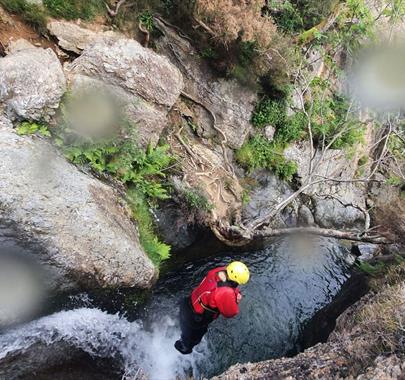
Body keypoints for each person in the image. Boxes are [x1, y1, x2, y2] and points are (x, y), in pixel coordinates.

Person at [174, 261, 250, 354]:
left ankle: (180, 331)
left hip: (187, 302)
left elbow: (225, 287)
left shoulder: (219, 270)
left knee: (184, 326)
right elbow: (230, 313)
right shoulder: (225, 292)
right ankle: (184, 348)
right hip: (194, 319)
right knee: (192, 339)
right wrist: (236, 300)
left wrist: (236, 293)